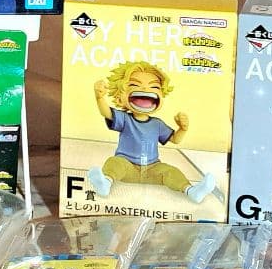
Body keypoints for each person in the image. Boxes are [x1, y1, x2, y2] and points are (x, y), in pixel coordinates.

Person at [86, 62, 215, 203]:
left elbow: (175, 139)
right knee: (114, 162)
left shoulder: (157, 124)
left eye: (154, 87)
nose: (145, 89)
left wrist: (183, 129)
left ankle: (191, 191)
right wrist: (99, 98)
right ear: (119, 97)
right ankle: (105, 183)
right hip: (127, 167)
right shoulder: (125, 119)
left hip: (152, 169)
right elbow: (106, 113)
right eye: (134, 85)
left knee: (171, 171)